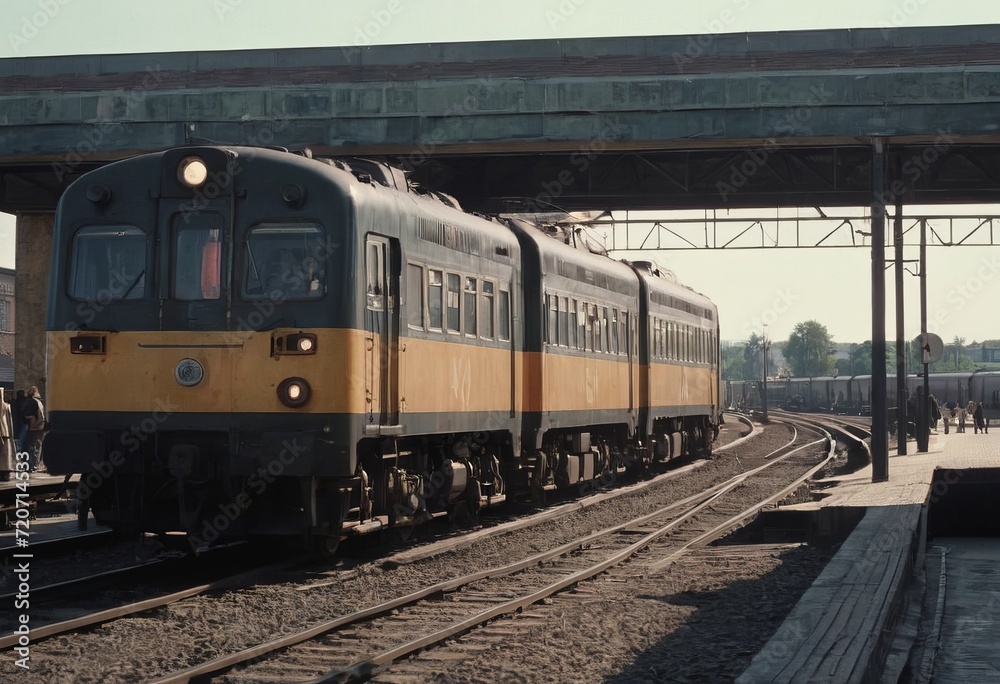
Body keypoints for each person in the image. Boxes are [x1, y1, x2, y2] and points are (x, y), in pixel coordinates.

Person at [21, 385, 45, 473]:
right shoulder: (37, 402)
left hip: (30, 426)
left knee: (30, 445)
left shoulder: (27, 401)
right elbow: (41, 415)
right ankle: (35, 465)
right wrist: (41, 423)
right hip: (38, 427)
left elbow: (23, 413)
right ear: (35, 392)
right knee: (37, 446)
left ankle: (29, 464)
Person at [0, 388, 14, 481]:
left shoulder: (6, 406)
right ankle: (5, 473)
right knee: (5, 455)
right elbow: (10, 421)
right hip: (5, 431)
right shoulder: (6, 406)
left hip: (4, 432)